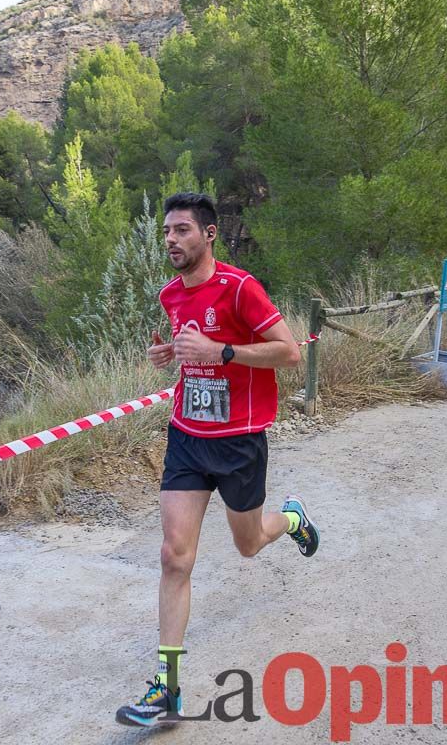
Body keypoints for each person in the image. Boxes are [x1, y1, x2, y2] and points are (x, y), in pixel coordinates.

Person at [116, 192, 320, 728]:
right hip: (187, 436)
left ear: (208, 235)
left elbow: (290, 352)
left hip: (239, 441)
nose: (171, 240)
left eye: (182, 230)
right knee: (174, 556)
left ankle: (292, 518)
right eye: (166, 231)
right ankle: (168, 688)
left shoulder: (239, 288)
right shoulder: (169, 295)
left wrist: (222, 352)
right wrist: (172, 357)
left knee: (248, 545)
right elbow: (190, 354)